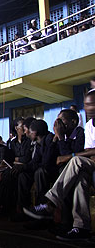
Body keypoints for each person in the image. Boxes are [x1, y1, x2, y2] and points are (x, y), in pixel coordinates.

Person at [24, 91, 95, 241]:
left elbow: (74, 155)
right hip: (86, 165)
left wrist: (69, 152)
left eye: (91, 104)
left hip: (84, 163)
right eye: (87, 104)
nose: (88, 108)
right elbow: (50, 160)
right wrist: (58, 139)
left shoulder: (80, 132)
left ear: (73, 122)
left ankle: (49, 204)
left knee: (74, 162)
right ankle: (80, 228)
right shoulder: (89, 125)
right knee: (79, 179)